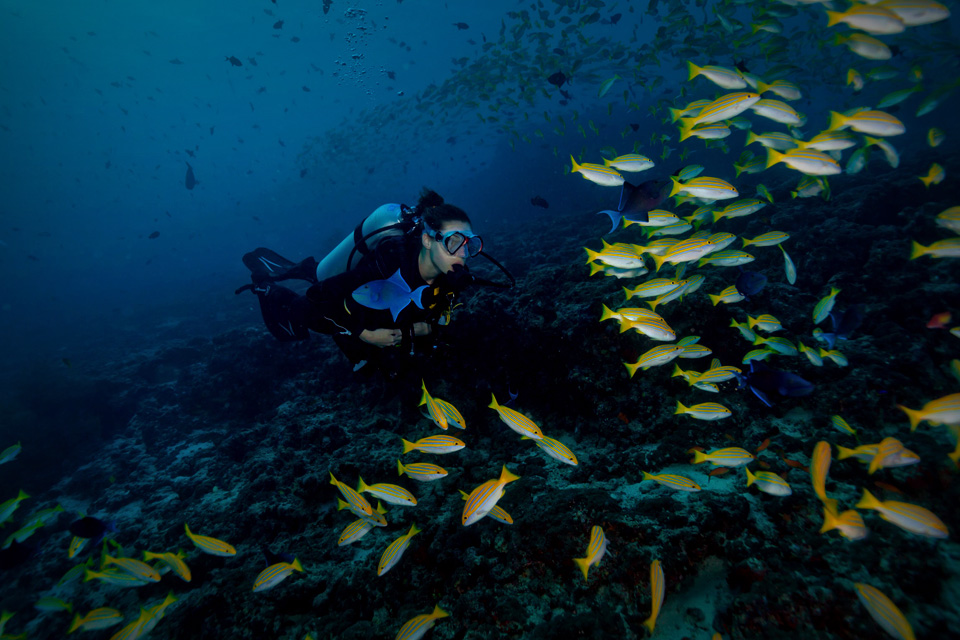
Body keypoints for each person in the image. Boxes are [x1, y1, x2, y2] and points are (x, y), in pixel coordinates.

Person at [237, 189, 510, 375]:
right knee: (300, 317)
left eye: (470, 245)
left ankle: (310, 269)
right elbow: (318, 295)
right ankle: (266, 287)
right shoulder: (390, 259)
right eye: (454, 242)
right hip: (342, 300)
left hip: (371, 302)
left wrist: (424, 330)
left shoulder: (451, 273)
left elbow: (438, 319)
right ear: (427, 240)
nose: (462, 254)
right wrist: (364, 333)